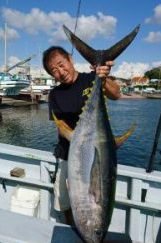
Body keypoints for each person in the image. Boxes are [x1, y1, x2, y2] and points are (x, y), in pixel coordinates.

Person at [42, 46, 120, 225]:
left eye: (62, 65)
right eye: (54, 70)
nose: (61, 72)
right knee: (64, 202)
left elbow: (116, 94)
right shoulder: (55, 94)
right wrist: (78, 140)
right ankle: (72, 229)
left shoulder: (91, 79)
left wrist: (103, 76)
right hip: (68, 155)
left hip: (97, 156)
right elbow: (60, 126)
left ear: (70, 59)